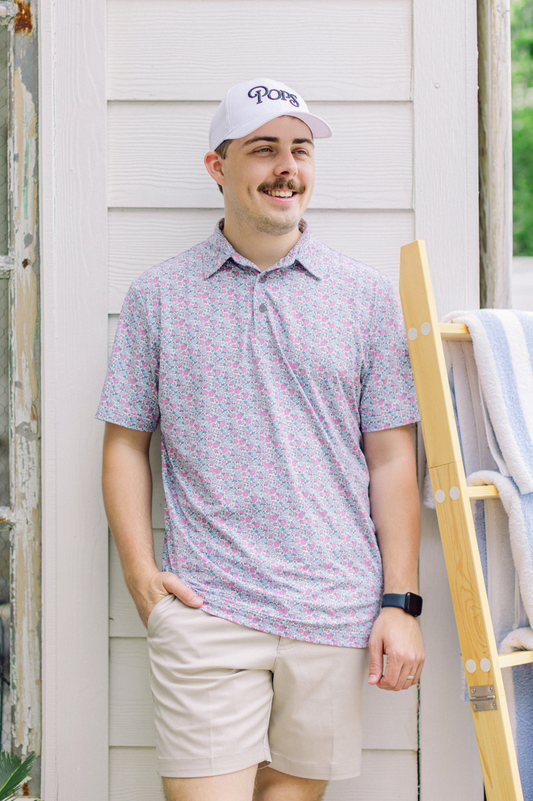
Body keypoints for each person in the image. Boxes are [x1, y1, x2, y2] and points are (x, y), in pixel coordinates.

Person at [97, 78, 425, 801]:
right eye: (263, 149)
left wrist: (398, 602)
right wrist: (141, 576)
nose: (286, 167)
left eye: (299, 150)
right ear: (218, 167)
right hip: (206, 608)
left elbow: (393, 455)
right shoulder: (160, 296)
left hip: (332, 609)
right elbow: (125, 442)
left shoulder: (364, 297)